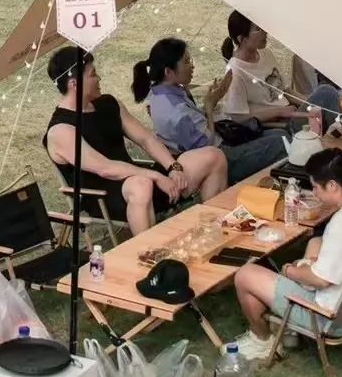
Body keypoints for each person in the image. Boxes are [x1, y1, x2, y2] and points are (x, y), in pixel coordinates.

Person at [43, 46, 227, 235]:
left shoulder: (109, 104)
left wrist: (173, 168)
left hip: (139, 178)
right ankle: (150, 256)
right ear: (75, 84)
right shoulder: (61, 130)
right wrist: (155, 176)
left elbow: (146, 138)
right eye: (93, 74)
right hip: (106, 197)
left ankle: (214, 229)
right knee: (141, 185)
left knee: (213, 156)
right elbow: (105, 168)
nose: (99, 79)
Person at [233, 148, 342, 364]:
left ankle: (262, 340)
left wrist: (289, 270)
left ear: (333, 185)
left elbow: (320, 280)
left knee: (246, 275)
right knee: (315, 241)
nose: (314, 193)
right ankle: (278, 331)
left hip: (333, 317)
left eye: (316, 187)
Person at [133, 36, 286, 184]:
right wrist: (210, 105)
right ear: (168, 72)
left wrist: (213, 100)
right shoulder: (175, 111)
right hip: (220, 159)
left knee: (280, 134)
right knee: (282, 142)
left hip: (218, 143)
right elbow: (208, 146)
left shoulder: (160, 92)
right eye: (186, 62)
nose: (192, 65)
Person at [217, 13, 310, 128]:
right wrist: (279, 112)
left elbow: (286, 91)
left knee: (323, 98)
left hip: (290, 113)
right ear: (241, 39)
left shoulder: (266, 54)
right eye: (258, 29)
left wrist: (310, 103)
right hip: (277, 125)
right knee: (326, 95)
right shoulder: (236, 73)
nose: (265, 31)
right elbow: (238, 118)